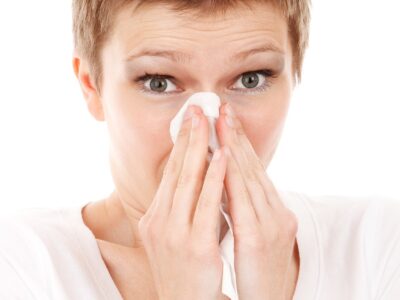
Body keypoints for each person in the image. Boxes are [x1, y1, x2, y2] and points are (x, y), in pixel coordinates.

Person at [1, 0, 400, 299]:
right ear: (92, 86)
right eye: (159, 82)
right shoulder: (22, 265)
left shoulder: (375, 243)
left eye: (250, 78)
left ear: (294, 74)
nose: (207, 127)